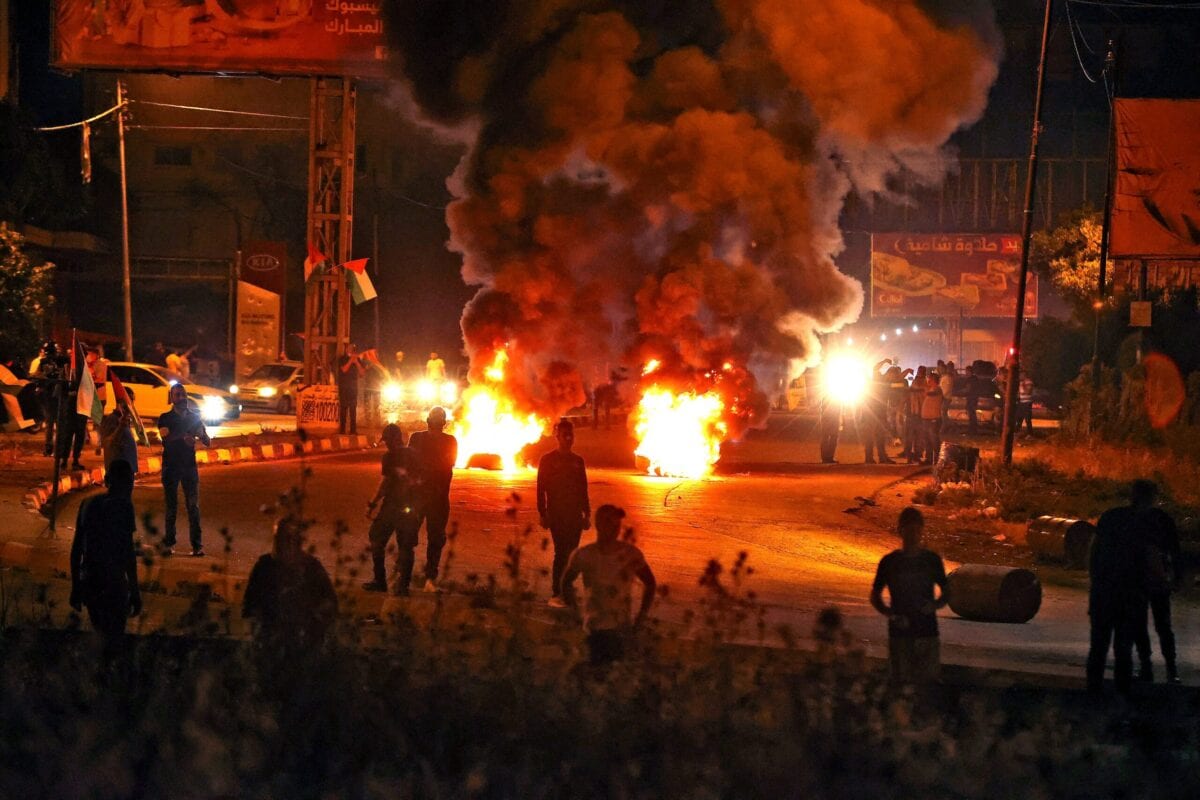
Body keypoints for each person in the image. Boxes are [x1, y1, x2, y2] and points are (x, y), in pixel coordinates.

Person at [561, 504, 656, 665]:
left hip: (621, 628)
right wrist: (575, 613)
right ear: (598, 524)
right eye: (608, 522)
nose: (613, 528)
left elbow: (650, 583)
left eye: (616, 524)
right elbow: (566, 582)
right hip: (593, 629)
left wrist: (641, 618)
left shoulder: (630, 554)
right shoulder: (585, 555)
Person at [69, 459, 142, 657]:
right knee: (114, 642)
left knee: (100, 635)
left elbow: (76, 549)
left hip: (90, 580)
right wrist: (135, 592)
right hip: (113, 584)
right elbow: (127, 552)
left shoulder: (87, 504)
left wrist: (76, 586)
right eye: (128, 481)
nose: (130, 486)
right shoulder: (124, 506)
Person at [1087, 483, 1154, 695]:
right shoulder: (1146, 524)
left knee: (1098, 645)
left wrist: (1096, 579)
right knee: (1123, 648)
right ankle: (1121, 695)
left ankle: (1093, 692)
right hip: (1129, 595)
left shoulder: (1111, 517)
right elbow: (1150, 558)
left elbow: (1094, 550)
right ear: (1149, 499)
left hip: (1103, 591)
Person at [870, 507, 949, 683]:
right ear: (900, 531)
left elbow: (947, 591)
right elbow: (875, 596)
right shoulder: (890, 562)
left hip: (927, 633)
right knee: (901, 685)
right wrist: (891, 615)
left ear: (922, 531)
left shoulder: (931, 560)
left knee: (927, 687)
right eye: (909, 529)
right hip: (900, 635)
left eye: (916, 529)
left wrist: (934, 606)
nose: (913, 534)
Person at [243, 518, 337, 655]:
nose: (284, 544)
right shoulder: (264, 566)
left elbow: (330, 603)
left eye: (288, 539)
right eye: (281, 539)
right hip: (271, 643)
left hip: (303, 644)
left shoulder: (311, 568)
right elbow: (250, 605)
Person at [1129, 480, 1182, 684]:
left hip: (1139, 580)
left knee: (1140, 625)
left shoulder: (1131, 519)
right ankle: (1171, 668)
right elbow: (1175, 551)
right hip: (1158, 580)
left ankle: (1146, 667)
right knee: (1163, 625)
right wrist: (1176, 576)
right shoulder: (1162, 519)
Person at [362, 424, 421, 594]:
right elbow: (422, 480)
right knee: (406, 546)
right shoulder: (415, 454)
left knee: (376, 538)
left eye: (388, 440)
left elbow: (385, 484)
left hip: (392, 507)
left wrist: (373, 504)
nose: (386, 444)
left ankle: (380, 581)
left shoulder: (389, 457)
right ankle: (403, 586)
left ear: (395, 439)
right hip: (410, 507)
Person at [537, 419, 591, 606]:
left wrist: (587, 514)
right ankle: (557, 592)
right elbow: (541, 488)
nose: (568, 438)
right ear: (557, 436)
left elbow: (583, 489)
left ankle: (566, 588)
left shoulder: (578, 461)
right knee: (561, 552)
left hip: (574, 515)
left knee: (572, 554)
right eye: (564, 435)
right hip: (557, 514)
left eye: (571, 435)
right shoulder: (547, 460)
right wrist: (543, 513)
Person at [157, 383, 210, 557]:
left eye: (183, 394)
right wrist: (184, 438)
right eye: (177, 395)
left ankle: (197, 546)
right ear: (171, 398)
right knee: (171, 507)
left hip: (189, 467)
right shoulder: (165, 418)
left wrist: (202, 436)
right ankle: (169, 543)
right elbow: (166, 438)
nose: (181, 398)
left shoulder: (195, 417)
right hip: (171, 466)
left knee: (193, 506)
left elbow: (206, 439)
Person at [409, 406, 458, 590]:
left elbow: (410, 464)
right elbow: (448, 464)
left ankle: (404, 575)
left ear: (427, 421)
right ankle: (428, 577)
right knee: (434, 539)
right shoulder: (450, 441)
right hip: (436, 498)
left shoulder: (417, 438)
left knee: (410, 535)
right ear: (444, 423)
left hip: (420, 497)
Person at [33, 341, 63, 457]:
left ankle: (49, 448)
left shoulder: (43, 362)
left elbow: (37, 376)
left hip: (49, 396)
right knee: (58, 424)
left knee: (50, 423)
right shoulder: (61, 361)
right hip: (57, 395)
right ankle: (56, 449)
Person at [861, 359, 894, 464]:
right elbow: (875, 368)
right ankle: (869, 458)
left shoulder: (887, 384)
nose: (892, 379)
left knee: (880, 437)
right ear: (888, 374)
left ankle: (882, 457)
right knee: (870, 436)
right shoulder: (878, 379)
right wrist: (884, 361)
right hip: (871, 412)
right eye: (892, 376)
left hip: (880, 413)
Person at [100, 404, 138, 474]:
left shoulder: (124, 419)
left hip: (127, 466)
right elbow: (109, 441)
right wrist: (121, 426)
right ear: (119, 405)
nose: (130, 404)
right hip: (117, 468)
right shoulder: (112, 419)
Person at [337, 344, 364, 435]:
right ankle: (342, 430)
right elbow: (344, 369)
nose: (349, 350)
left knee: (353, 410)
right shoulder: (342, 359)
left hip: (353, 388)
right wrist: (350, 361)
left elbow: (362, 373)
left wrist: (356, 362)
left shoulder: (357, 360)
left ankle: (353, 430)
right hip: (344, 387)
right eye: (348, 348)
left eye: (351, 349)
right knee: (343, 409)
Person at [919, 371, 944, 466]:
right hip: (926, 419)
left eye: (930, 379)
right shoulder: (931, 389)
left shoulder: (937, 389)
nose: (928, 380)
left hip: (933, 420)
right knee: (927, 440)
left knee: (934, 441)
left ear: (934, 380)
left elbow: (930, 394)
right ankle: (929, 459)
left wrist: (924, 390)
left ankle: (938, 460)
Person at [818, 387, 841, 464]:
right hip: (829, 417)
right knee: (827, 437)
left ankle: (828, 457)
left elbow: (839, 408)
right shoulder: (829, 395)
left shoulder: (835, 395)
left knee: (832, 437)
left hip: (832, 417)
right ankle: (826, 457)